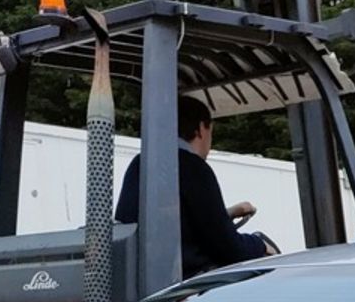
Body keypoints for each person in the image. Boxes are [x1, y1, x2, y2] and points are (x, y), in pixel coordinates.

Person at [114, 95, 279, 278]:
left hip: (140, 278)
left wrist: (228, 213)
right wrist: (259, 244)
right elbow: (227, 247)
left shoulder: (141, 163)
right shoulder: (193, 168)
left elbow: (172, 221)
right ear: (201, 129)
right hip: (185, 282)